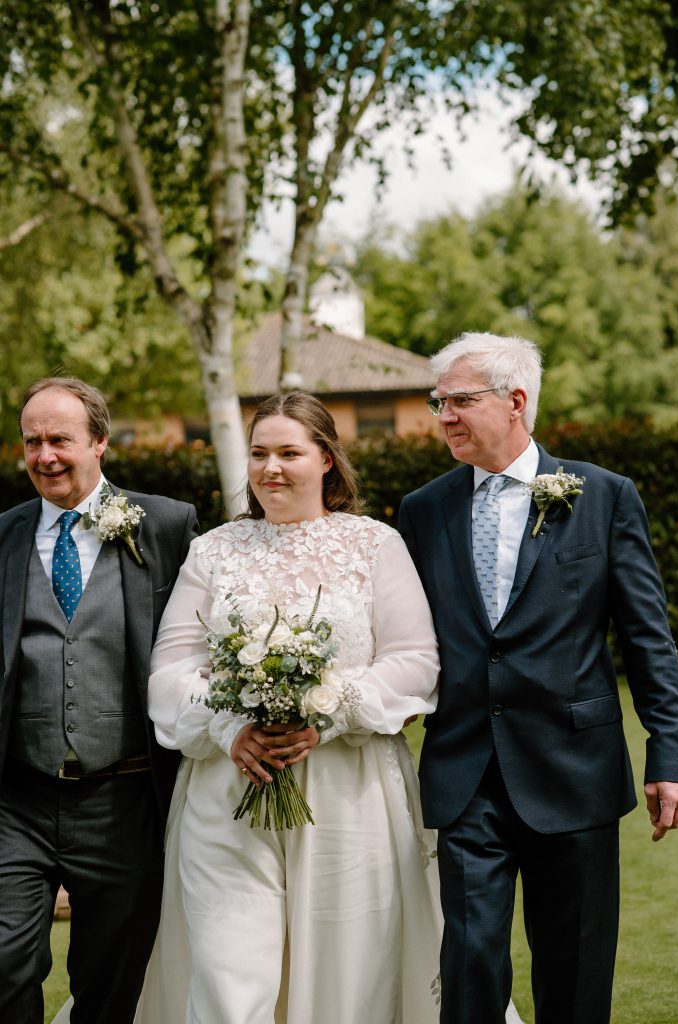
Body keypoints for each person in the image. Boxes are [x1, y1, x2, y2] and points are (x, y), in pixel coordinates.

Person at [397, 331, 678, 1024]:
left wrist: (667, 754)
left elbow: (647, 639)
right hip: (464, 773)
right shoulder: (421, 510)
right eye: (438, 402)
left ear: (515, 400)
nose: (442, 417)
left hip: (573, 768)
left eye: (459, 401)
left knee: (575, 969)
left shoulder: (604, 497)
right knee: (466, 963)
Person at [134, 391, 443, 1024]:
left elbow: (416, 658)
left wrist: (326, 714)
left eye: (289, 453)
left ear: (327, 459)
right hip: (227, 787)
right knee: (228, 971)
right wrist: (229, 727)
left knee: (345, 977)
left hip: (348, 791)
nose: (271, 468)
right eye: (259, 453)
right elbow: (169, 669)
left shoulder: (374, 544)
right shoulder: (214, 550)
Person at [0, 377, 198, 1024]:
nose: (44, 456)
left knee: (109, 980)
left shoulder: (166, 525)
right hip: (18, 798)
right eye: (32, 442)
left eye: (60, 439)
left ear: (100, 443)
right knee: (4, 962)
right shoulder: (2, 537)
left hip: (125, 799)